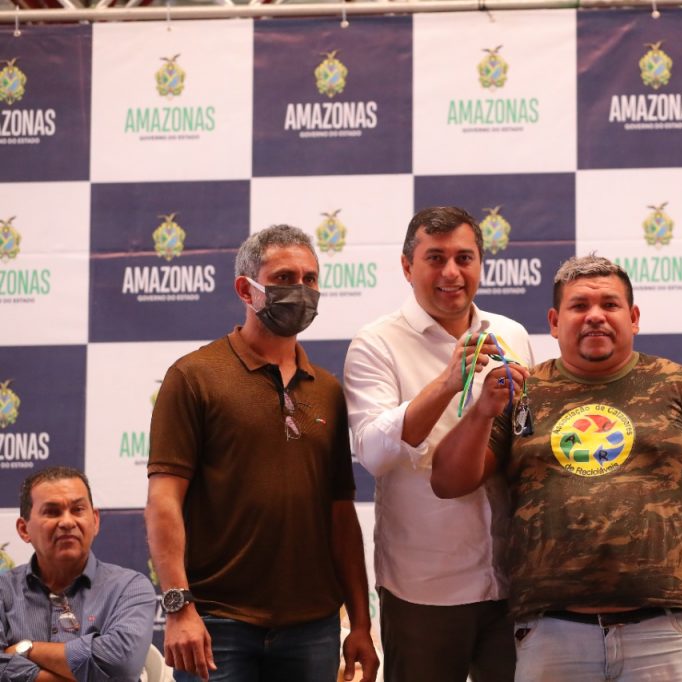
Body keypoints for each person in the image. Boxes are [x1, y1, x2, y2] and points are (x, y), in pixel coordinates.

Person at [431, 255, 682, 682]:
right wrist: (480, 412)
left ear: (633, 318)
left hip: (666, 630)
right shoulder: (521, 390)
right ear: (554, 321)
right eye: (579, 306)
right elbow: (447, 482)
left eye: (610, 305)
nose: (595, 316)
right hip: (551, 632)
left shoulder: (680, 385)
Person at [145, 224, 378, 682]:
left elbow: (340, 515)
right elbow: (163, 501)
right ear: (245, 289)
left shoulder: (328, 390)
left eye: (310, 279)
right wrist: (178, 607)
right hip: (216, 624)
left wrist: (361, 624)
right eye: (284, 278)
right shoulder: (194, 376)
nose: (301, 290)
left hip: (313, 628)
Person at [344, 206, 533, 682]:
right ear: (407, 267)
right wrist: (448, 383)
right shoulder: (376, 343)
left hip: (511, 582)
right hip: (423, 589)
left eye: (464, 258)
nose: (451, 272)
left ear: (481, 264)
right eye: (435, 258)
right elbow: (373, 454)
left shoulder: (510, 334)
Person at [0, 466, 155, 681]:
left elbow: (122, 664)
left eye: (78, 509)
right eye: (52, 512)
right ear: (24, 529)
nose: (67, 522)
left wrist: (28, 649)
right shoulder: (3, 591)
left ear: (95, 521)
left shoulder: (129, 588)